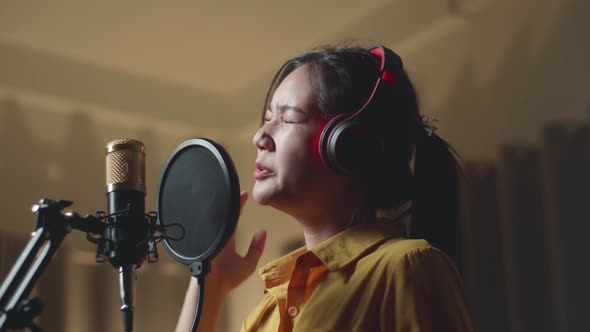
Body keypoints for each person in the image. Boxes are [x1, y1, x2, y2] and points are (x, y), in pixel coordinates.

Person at [176, 44, 473, 332]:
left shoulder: (406, 267)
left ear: (349, 145)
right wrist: (210, 281)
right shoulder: (266, 312)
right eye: (267, 119)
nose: (259, 136)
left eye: (287, 118)